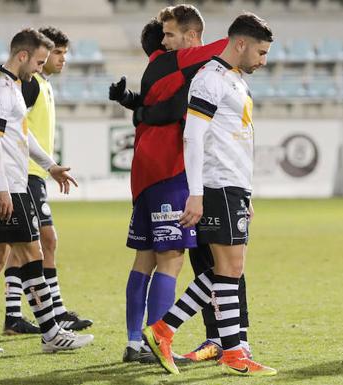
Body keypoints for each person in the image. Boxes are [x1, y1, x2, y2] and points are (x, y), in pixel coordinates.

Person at [142, 12, 277, 377]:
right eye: (261, 53)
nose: (263, 61)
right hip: (217, 186)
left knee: (225, 270)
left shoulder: (234, 81)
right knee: (229, 269)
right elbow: (194, 137)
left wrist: (246, 194)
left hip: (233, 186)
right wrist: (196, 193)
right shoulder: (209, 79)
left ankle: (184, 336)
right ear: (241, 44)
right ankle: (172, 333)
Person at [0, 28, 93, 354]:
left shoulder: (11, 87)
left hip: (0, 185)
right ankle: (52, 333)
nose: (40, 68)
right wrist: (3, 189)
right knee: (32, 256)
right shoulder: (1, 91)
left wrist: (49, 165)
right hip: (7, 187)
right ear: (22, 56)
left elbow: (21, 136)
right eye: (39, 61)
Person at [109, 5, 227, 363]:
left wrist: (133, 104)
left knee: (143, 259)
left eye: (170, 35)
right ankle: (155, 342)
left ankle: (134, 341)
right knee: (171, 259)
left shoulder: (156, 68)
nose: (167, 41)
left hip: (144, 173)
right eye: (165, 37)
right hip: (168, 170)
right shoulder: (176, 60)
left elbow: (154, 107)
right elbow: (225, 46)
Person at [2, 26, 92, 336]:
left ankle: (15, 315)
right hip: (24, 174)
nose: (62, 59)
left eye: (65, 53)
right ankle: (53, 312)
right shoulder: (31, 86)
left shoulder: (42, 84)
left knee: (20, 247)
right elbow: (11, 126)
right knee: (44, 241)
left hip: (34, 174)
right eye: (57, 53)